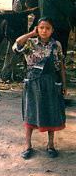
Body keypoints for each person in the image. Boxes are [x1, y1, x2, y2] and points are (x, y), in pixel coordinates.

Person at [13, 18, 66, 159]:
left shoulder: (56, 45)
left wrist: (64, 84)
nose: (44, 31)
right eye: (41, 27)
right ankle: (28, 146)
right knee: (30, 112)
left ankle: (51, 145)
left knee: (51, 112)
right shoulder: (30, 43)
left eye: (47, 28)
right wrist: (31, 34)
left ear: (52, 30)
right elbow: (17, 44)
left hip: (50, 83)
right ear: (37, 28)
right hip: (32, 83)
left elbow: (61, 65)